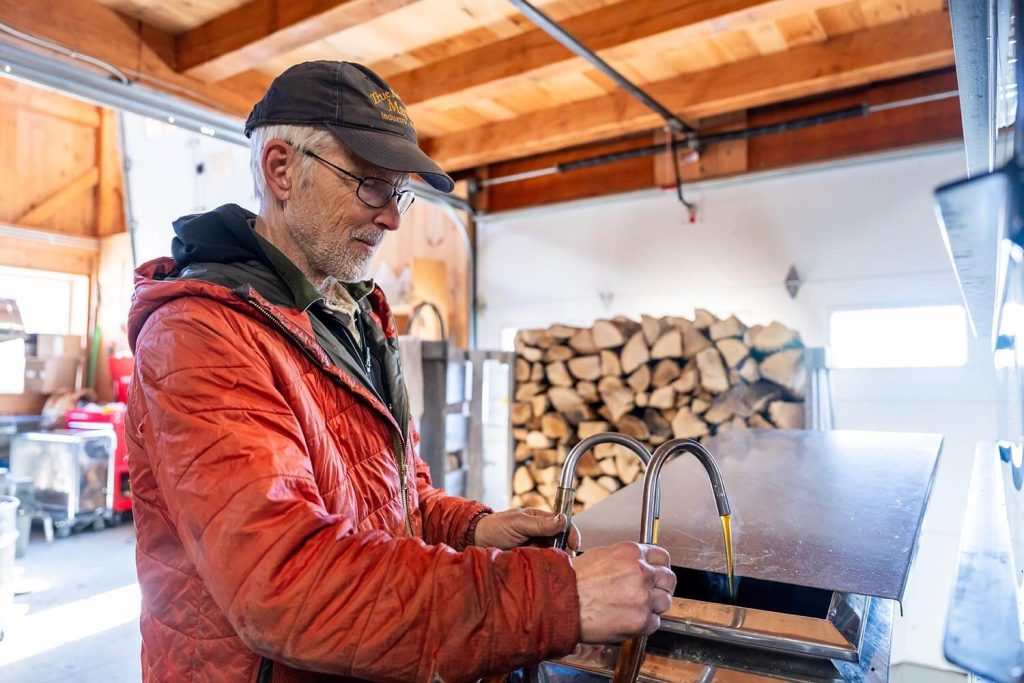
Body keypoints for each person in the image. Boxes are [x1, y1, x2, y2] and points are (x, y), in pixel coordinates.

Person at [125, 60, 676, 683]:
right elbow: (284, 583)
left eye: (399, 193)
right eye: (370, 186)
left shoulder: (351, 318)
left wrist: (473, 528)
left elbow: (395, 501)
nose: (391, 217)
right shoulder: (200, 338)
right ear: (281, 169)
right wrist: (559, 598)